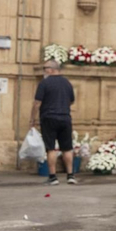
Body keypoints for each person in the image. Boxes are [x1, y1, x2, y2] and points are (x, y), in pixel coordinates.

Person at [30, 58, 77, 186]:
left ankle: (53, 177)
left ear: (51, 70)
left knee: (50, 148)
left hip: (49, 117)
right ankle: (70, 175)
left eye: (45, 68)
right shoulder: (67, 83)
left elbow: (37, 103)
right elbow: (72, 100)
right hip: (65, 117)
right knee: (67, 148)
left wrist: (32, 118)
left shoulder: (44, 83)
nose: (44, 71)